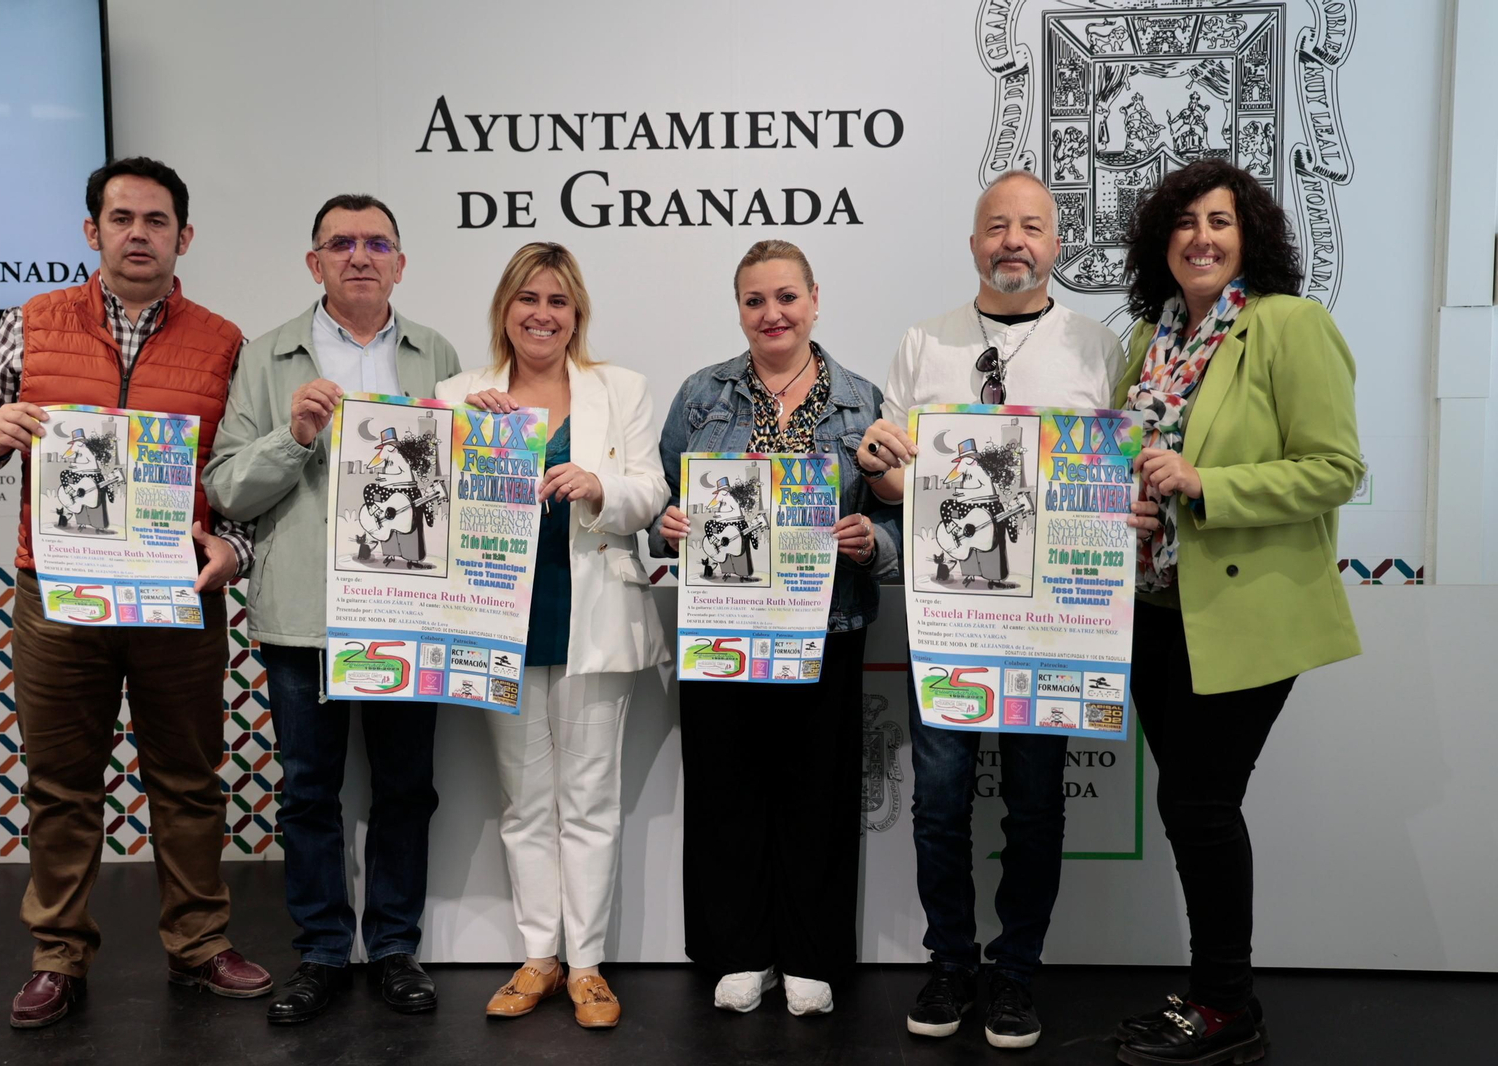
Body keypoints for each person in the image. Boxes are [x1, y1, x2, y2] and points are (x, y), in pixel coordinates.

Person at [0, 157, 272, 1028]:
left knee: (188, 780)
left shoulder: (224, 341)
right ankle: (57, 956)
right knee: (61, 784)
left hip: (177, 596)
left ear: (183, 237)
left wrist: (234, 550)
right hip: (57, 595)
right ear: (93, 231)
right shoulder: (31, 322)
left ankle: (199, 944)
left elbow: (238, 478)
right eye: (121, 218)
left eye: (156, 221)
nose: (138, 234)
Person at [857, 170, 1126, 1049]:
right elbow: (890, 481)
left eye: (1032, 227)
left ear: (1056, 243)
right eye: (998, 226)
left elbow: (1119, 473)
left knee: (1036, 805)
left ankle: (1016, 974)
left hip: (1055, 621)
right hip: (951, 617)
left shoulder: (1098, 346)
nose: (1015, 241)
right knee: (939, 802)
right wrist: (884, 464)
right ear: (974, 243)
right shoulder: (924, 342)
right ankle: (950, 964)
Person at [1110, 159, 1361, 1066]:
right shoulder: (1150, 338)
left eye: (1220, 221)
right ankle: (1218, 997)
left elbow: (1335, 468)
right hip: (1153, 610)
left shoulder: (1289, 324)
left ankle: (1226, 1008)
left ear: (1249, 235)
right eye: (1184, 222)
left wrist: (1205, 484)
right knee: (1191, 809)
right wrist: (1129, 501)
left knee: (1199, 802)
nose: (1201, 237)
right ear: (1161, 241)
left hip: (1244, 611)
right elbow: (1128, 458)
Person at [201, 194, 460, 1024]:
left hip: (409, 613)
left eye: (377, 243)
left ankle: (393, 948)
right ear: (314, 262)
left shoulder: (437, 354)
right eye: (340, 243)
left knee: (405, 789)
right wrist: (295, 437)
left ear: (400, 263)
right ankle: (319, 952)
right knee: (310, 793)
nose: (359, 256)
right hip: (303, 615)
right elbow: (225, 486)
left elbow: (458, 487)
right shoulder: (267, 355)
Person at [653, 239, 896, 1018]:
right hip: (722, 626)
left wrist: (874, 541)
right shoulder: (702, 396)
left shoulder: (863, 400)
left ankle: (810, 954)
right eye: (755, 300)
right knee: (726, 788)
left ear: (814, 300)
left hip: (827, 626)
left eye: (786, 297)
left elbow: (899, 518)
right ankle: (740, 951)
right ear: (739, 309)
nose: (772, 313)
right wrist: (665, 525)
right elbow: (661, 498)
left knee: (818, 791)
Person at [436, 242, 668, 1030]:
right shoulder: (460, 393)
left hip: (592, 619)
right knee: (524, 802)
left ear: (577, 314)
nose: (542, 314)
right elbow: (432, 499)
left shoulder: (620, 388)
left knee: (591, 802)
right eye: (528, 298)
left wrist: (601, 487)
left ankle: (589, 966)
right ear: (505, 308)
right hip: (499, 621)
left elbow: (651, 490)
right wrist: (465, 436)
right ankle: (540, 956)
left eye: (558, 301)